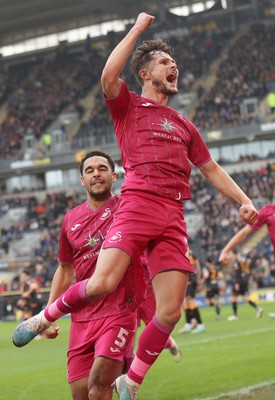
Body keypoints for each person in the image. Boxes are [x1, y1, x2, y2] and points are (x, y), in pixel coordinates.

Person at [12, 13, 258, 400]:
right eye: (163, 62)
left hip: (173, 215)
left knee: (171, 312)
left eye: (173, 62)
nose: (172, 66)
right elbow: (109, 76)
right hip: (138, 204)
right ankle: (43, 317)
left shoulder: (183, 124)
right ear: (144, 73)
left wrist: (244, 199)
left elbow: (210, 168)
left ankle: (132, 381)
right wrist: (139, 29)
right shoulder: (127, 107)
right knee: (101, 283)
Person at [219, 203, 275, 319]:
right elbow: (245, 233)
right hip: (240, 281)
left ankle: (237, 314)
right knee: (239, 297)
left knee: (240, 297)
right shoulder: (268, 211)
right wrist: (226, 249)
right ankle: (238, 313)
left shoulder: (238, 261)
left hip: (240, 281)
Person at [223, 251, 263, 321]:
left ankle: (235, 315)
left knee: (234, 297)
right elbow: (243, 271)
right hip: (243, 281)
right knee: (245, 298)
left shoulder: (236, 262)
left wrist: (236, 283)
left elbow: (237, 273)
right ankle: (258, 308)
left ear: (234, 254)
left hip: (239, 281)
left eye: (230, 254)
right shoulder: (240, 261)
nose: (229, 256)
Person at [178, 250, 206, 334]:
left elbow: (197, 266)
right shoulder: (183, 252)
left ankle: (200, 325)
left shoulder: (191, 254)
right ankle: (188, 324)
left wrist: (198, 279)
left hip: (191, 281)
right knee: (186, 303)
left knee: (191, 301)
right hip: (186, 281)